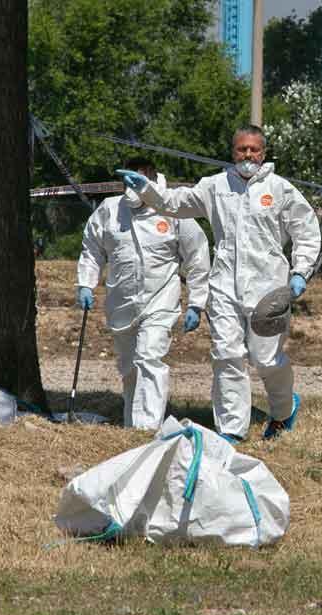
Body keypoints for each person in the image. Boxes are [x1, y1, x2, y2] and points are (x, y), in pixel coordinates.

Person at [116, 125, 321, 443]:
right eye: (242, 149)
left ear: (264, 153)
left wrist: (300, 272)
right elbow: (175, 203)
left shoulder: (280, 189)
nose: (248, 155)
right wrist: (147, 190)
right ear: (233, 152)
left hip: (269, 288)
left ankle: (283, 409)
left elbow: (306, 230)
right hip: (224, 285)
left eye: (254, 149)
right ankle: (232, 429)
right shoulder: (214, 186)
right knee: (227, 356)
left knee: (266, 359)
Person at [77, 157, 211, 429]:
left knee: (149, 358)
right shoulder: (109, 210)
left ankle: (146, 428)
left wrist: (197, 303)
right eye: (128, 182)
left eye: (138, 182)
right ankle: (131, 426)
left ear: (150, 180)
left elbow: (197, 257)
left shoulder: (173, 211)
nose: (132, 189)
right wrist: (85, 283)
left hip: (160, 299)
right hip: (122, 302)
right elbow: (92, 249)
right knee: (129, 369)